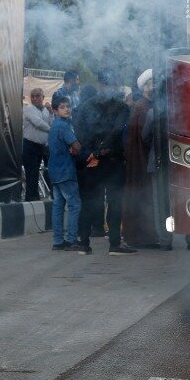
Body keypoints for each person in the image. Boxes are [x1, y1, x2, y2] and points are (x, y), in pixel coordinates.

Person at [74, 70, 136, 255]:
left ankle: (84, 244)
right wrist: (101, 151)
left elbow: (79, 131)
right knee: (114, 202)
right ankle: (114, 244)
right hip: (112, 161)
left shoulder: (85, 106)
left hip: (92, 161)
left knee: (90, 202)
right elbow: (117, 131)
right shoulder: (121, 107)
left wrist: (92, 152)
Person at [123, 69, 160, 247]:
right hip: (142, 161)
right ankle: (143, 235)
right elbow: (144, 138)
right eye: (152, 83)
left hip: (145, 160)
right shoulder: (142, 107)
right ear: (145, 87)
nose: (155, 86)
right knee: (144, 196)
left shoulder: (146, 106)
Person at [48, 96, 85, 251]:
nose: (67, 109)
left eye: (68, 106)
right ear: (55, 111)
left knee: (58, 206)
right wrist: (78, 150)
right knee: (74, 205)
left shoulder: (54, 126)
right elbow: (76, 146)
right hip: (65, 171)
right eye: (62, 107)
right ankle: (71, 240)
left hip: (55, 171)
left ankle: (58, 241)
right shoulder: (63, 126)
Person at [22, 88, 53, 201]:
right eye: (33, 96)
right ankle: (31, 200)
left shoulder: (45, 110)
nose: (35, 98)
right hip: (30, 146)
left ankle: (36, 198)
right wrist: (51, 130)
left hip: (42, 146)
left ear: (43, 97)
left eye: (37, 96)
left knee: (39, 174)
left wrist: (50, 113)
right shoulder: (29, 109)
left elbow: (51, 121)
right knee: (32, 175)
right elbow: (38, 123)